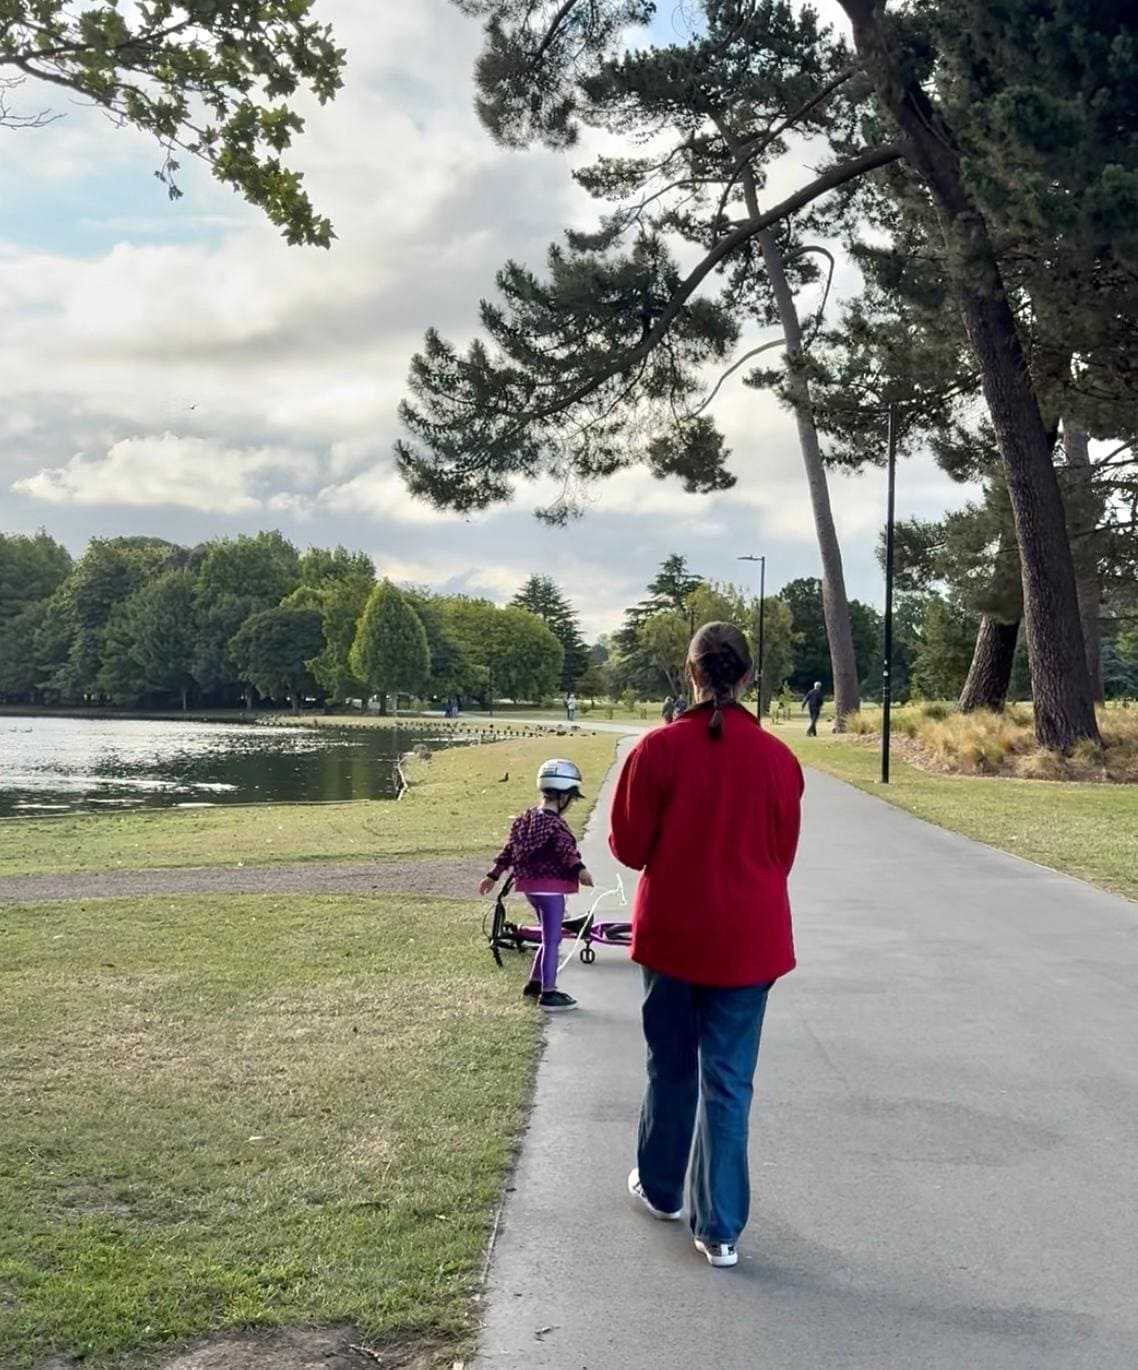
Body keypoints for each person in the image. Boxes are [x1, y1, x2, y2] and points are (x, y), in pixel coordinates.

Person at [609, 622, 803, 1268]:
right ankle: (718, 1228)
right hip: (748, 943)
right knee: (728, 1080)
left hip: (672, 938)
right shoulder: (779, 761)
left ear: (691, 674)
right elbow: (782, 856)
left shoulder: (657, 751)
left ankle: (662, 1187)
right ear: (747, 677)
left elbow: (629, 847)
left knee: (670, 1064)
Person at [480, 758, 594, 1013]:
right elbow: (567, 852)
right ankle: (549, 994)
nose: (571, 805)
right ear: (564, 796)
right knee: (552, 940)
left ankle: (535, 983)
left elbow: (508, 850)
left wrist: (493, 875)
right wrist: (582, 871)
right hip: (551, 890)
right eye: (572, 799)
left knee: (546, 936)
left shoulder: (524, 820)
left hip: (530, 889)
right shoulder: (556, 825)